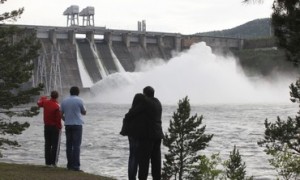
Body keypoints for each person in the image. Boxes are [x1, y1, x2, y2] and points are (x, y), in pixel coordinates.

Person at [123, 86, 163, 180]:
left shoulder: (145, 102)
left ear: (145, 94)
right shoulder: (158, 102)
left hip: (148, 136)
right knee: (156, 161)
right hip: (158, 135)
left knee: (144, 161)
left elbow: (131, 113)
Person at [60, 86, 87, 171]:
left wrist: (65, 119)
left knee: (69, 145)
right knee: (76, 146)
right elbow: (84, 112)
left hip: (68, 125)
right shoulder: (80, 100)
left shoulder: (64, 101)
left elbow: (61, 113)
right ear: (78, 92)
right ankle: (76, 166)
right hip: (77, 125)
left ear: (70, 92)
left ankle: (69, 165)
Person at [121, 93, 146, 180]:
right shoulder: (142, 111)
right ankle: (135, 177)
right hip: (139, 135)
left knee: (132, 156)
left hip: (131, 135)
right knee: (137, 157)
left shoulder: (131, 110)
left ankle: (131, 177)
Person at [37, 90, 62, 167]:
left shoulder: (45, 102)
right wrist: (60, 127)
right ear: (57, 97)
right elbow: (58, 118)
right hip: (55, 127)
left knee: (47, 144)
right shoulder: (57, 105)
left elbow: (38, 103)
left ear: (51, 96)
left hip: (46, 126)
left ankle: (47, 163)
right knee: (55, 145)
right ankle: (53, 163)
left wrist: (43, 97)